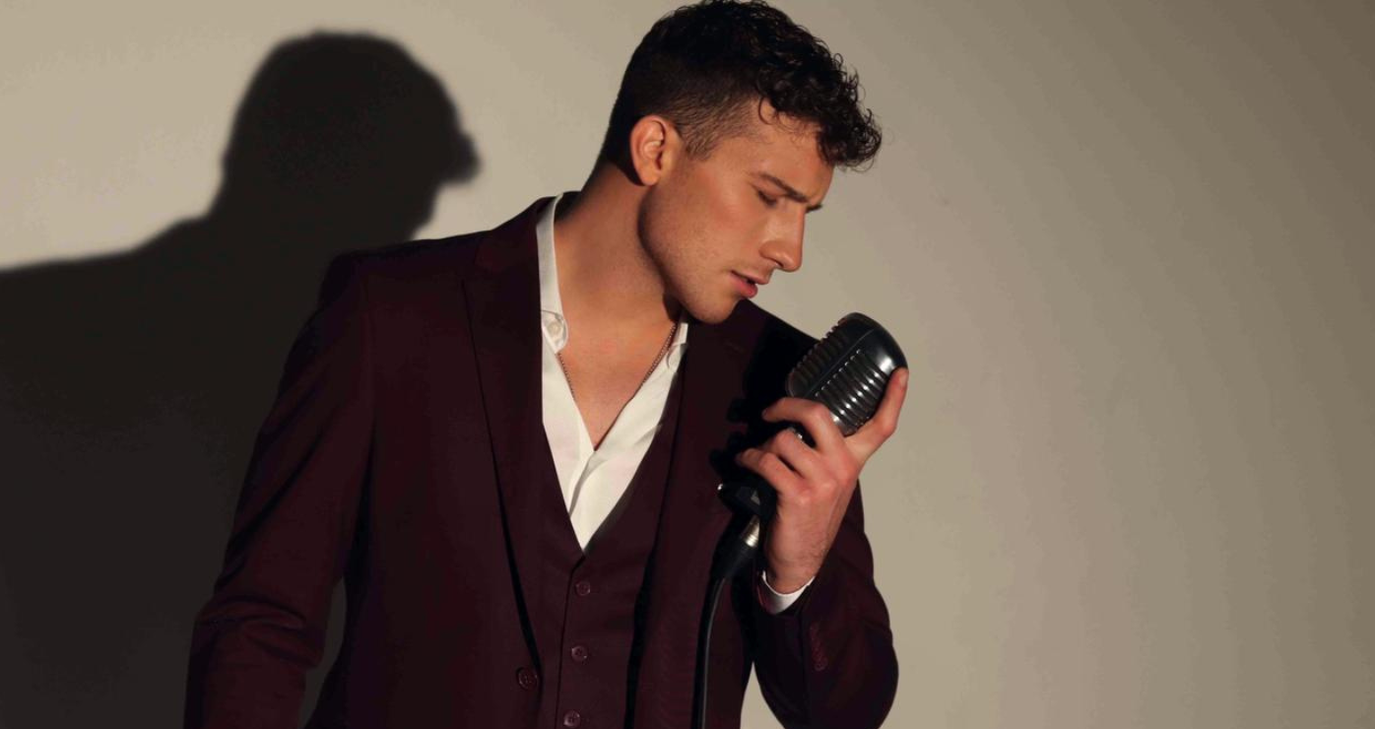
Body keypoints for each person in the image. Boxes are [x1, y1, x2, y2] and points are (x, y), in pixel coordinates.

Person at [184, 2, 908, 728]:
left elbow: (842, 715)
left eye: (805, 213)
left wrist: (799, 569)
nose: (790, 251)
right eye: (769, 197)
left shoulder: (786, 385)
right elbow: (261, 623)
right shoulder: (390, 316)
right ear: (656, 149)